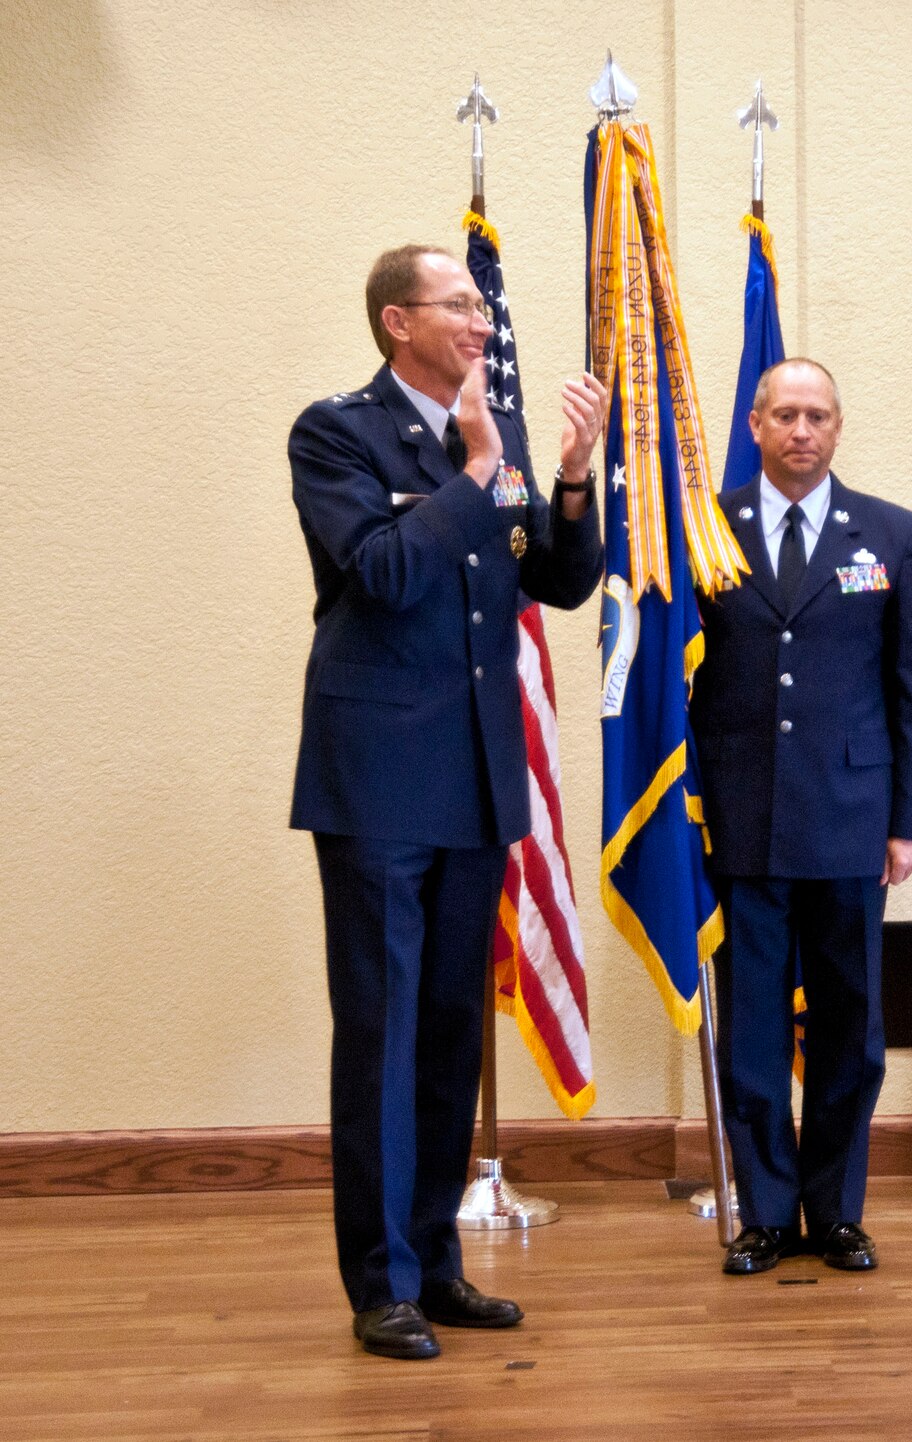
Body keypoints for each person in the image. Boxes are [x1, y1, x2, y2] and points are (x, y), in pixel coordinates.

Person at [288, 243, 606, 1359]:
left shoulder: (499, 439)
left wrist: (571, 471)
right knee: (380, 1029)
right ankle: (379, 1281)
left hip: (476, 777)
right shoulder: (335, 432)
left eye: (480, 306)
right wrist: (475, 472)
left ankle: (435, 1260)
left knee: (448, 1033)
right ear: (395, 322)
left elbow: (556, 580)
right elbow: (376, 573)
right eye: (459, 304)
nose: (481, 322)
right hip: (376, 778)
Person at [692, 358, 912, 1276]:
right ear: (754, 424)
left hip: (851, 817)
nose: (802, 431)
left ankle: (835, 1211)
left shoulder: (893, 533)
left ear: (840, 428)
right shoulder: (701, 528)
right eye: (785, 415)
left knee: (850, 1027)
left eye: (819, 416)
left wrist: (911, 819)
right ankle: (764, 1211)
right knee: (752, 1026)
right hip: (741, 817)